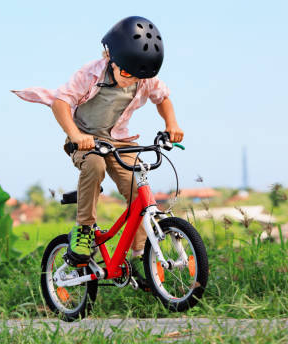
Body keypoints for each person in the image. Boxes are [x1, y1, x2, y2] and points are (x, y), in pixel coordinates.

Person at [12, 16, 183, 287]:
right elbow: (60, 103)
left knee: (138, 189)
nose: (131, 82)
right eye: (126, 74)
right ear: (110, 57)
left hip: (120, 141)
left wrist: (171, 124)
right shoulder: (90, 73)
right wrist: (77, 135)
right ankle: (84, 229)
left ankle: (142, 257)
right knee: (95, 166)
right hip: (85, 140)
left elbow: (163, 99)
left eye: (138, 77)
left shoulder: (142, 77)